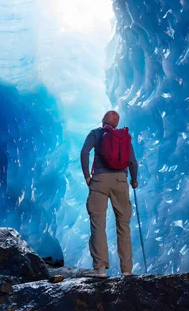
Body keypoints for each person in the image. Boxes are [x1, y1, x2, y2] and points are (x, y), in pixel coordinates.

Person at [80, 110, 138, 278]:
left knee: (98, 222)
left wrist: (87, 176)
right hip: (121, 180)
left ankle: (99, 269)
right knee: (124, 225)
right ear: (117, 123)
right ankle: (126, 269)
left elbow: (84, 152)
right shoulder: (124, 137)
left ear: (103, 120)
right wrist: (134, 180)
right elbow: (132, 161)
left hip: (99, 180)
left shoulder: (96, 133)